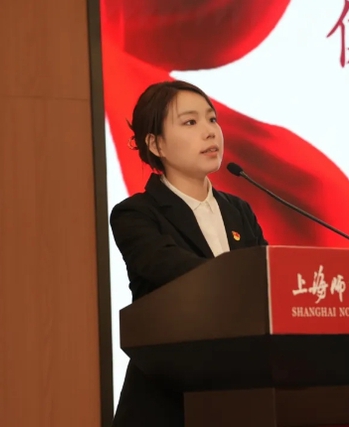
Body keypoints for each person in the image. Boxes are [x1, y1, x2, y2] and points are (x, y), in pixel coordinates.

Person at [109, 80, 268, 427]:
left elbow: (268, 285)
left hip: (241, 397)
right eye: (190, 122)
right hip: (167, 403)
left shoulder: (239, 211)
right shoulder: (136, 215)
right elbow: (176, 272)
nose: (210, 132)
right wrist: (251, 281)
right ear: (156, 144)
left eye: (212, 119)